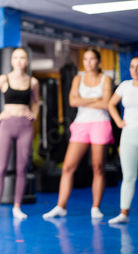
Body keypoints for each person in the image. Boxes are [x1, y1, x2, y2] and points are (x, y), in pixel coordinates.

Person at [43, 49, 113, 219]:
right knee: (67, 167)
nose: (88, 62)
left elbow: (106, 104)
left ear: (98, 61)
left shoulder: (106, 79)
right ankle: (61, 206)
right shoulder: (77, 78)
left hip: (100, 123)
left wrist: (87, 100)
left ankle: (95, 207)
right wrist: (96, 99)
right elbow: (73, 102)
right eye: (86, 59)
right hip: (81, 124)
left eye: (92, 59)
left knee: (98, 167)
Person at [0, 47, 39, 220]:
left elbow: (36, 102)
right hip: (7, 125)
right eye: (16, 57)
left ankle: (17, 207)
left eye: (23, 57)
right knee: (1, 168)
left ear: (27, 61)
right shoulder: (4, 79)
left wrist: (34, 113)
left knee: (22, 168)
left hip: (25, 126)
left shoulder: (33, 82)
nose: (19, 60)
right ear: (12, 61)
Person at [107, 56, 138, 224]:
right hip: (128, 135)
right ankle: (123, 214)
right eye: (132, 66)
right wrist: (119, 121)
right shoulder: (125, 86)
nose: (135, 70)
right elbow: (111, 104)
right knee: (129, 176)